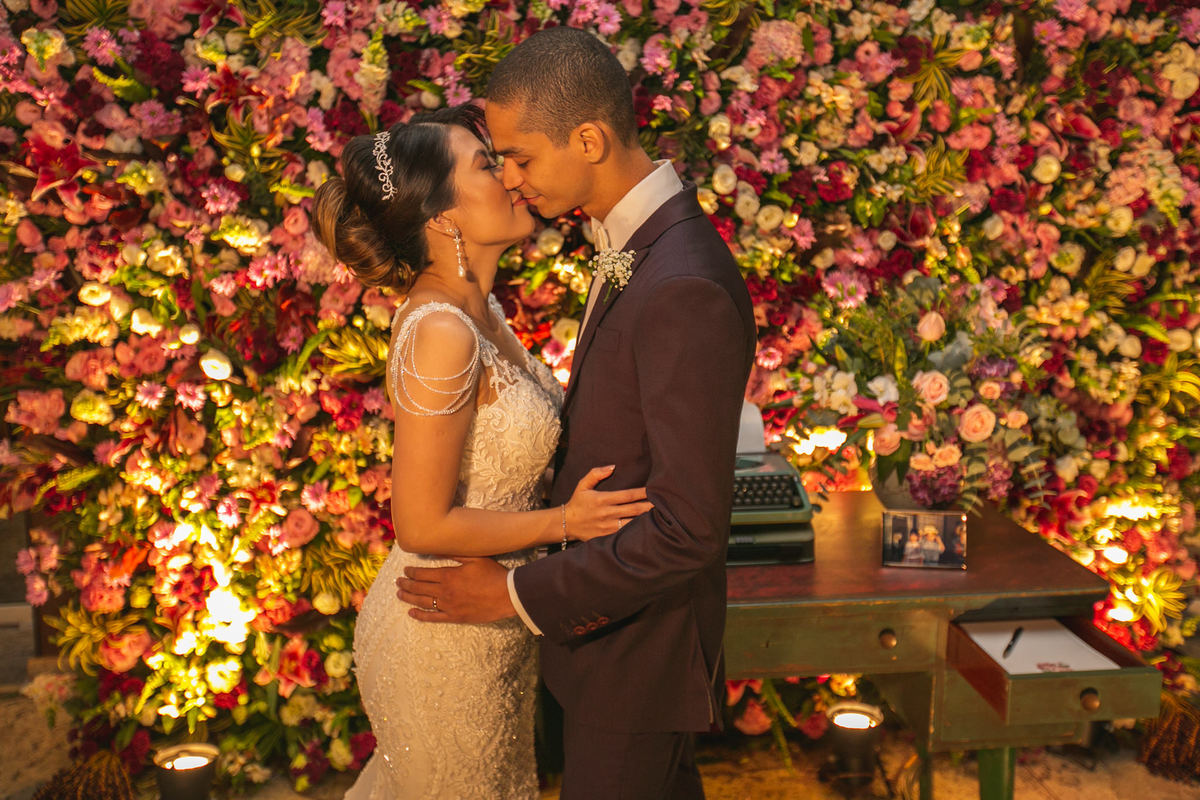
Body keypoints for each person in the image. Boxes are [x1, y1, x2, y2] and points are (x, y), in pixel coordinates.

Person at [395, 27, 756, 800]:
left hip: (638, 657)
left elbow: (689, 526)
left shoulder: (680, 282)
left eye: (520, 157)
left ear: (588, 138)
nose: (514, 179)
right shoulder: (637, 248)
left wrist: (518, 595)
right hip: (602, 648)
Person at [311, 103, 654, 799]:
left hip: (489, 622)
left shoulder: (483, 312)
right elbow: (422, 523)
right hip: (438, 634)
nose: (509, 177)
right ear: (442, 218)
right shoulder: (443, 331)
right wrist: (567, 524)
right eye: (485, 166)